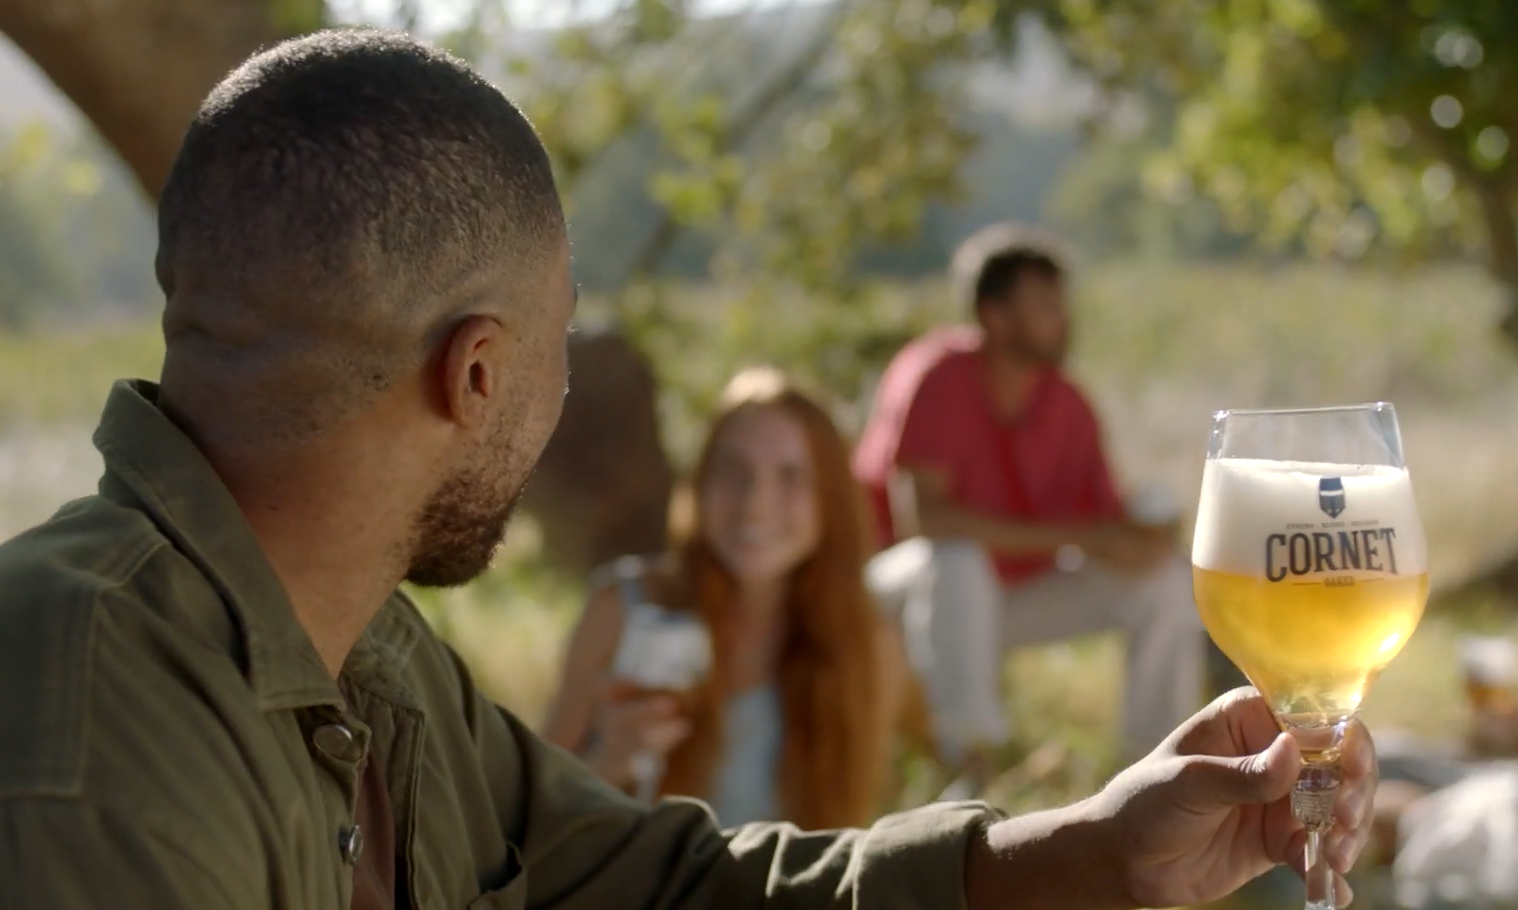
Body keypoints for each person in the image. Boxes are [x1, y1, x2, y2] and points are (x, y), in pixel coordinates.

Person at [0, 29, 1377, 910]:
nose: (553, 397)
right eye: (557, 350)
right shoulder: (84, 727)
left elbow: (655, 880)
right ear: (477, 375)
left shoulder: (367, 650)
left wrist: (1083, 852)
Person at [854, 223, 1205, 779]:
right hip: (895, 595)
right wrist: (1084, 536)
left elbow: (1101, 523)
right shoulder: (938, 376)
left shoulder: (1067, 403)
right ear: (992, 315)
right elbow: (925, 520)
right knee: (958, 559)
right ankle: (973, 759)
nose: (1063, 319)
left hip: (1009, 599)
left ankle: (1158, 770)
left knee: (1164, 581)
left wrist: (1144, 541)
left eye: (1060, 303)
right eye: (1044, 305)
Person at [544, 368, 902, 829]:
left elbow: (846, 826)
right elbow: (527, 816)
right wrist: (607, 762)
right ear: (701, 483)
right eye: (734, 471)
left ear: (829, 500)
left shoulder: (868, 644)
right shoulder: (625, 610)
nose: (755, 502)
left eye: (791, 476)